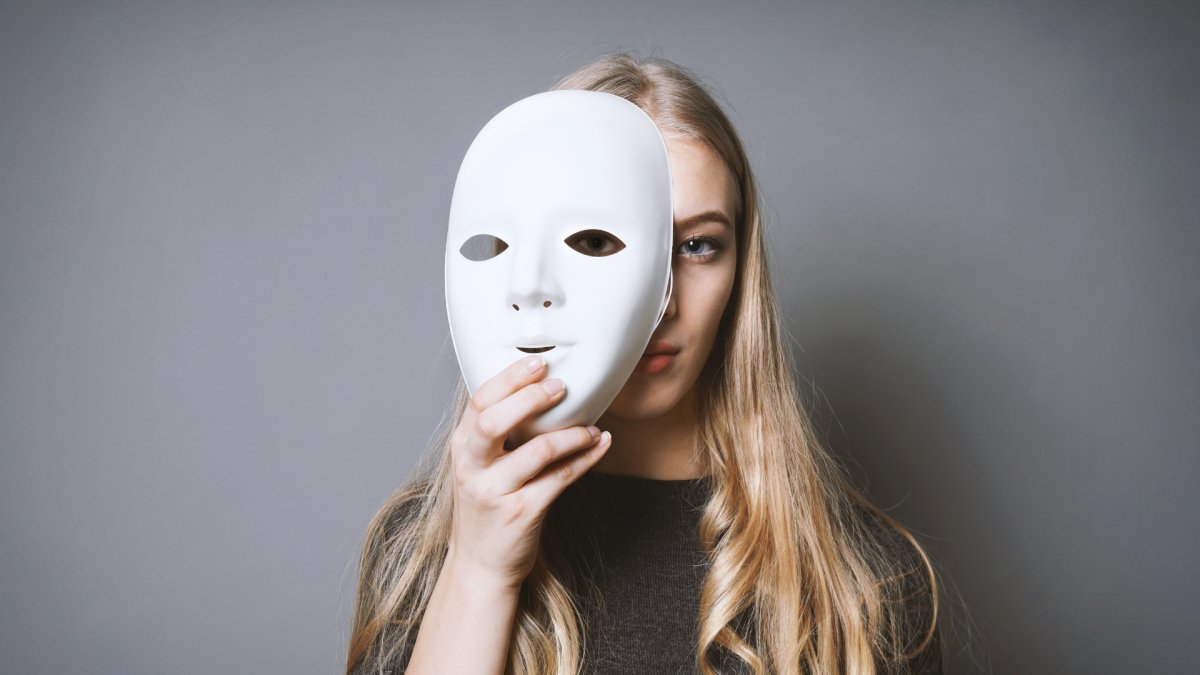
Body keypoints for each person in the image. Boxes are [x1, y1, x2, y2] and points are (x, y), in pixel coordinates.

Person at [345, 52, 942, 675]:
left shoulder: (866, 583)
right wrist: (478, 573)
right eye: (597, 242)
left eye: (695, 246)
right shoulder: (421, 552)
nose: (660, 303)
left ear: (740, 271)